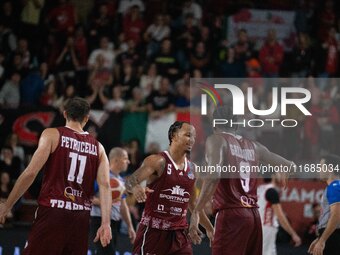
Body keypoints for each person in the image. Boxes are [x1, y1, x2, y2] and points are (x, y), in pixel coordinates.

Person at [0, 97, 112, 255]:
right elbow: (106, 186)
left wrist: (7, 205)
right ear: (87, 118)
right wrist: (105, 223)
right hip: (80, 216)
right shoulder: (98, 148)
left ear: (64, 113)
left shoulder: (52, 135)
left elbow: (31, 172)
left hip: (54, 211)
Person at [189, 106, 295, 255]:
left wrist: (197, 211)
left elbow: (214, 175)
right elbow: (290, 166)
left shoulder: (216, 140)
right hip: (253, 216)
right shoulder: (255, 146)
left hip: (231, 214)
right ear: (236, 125)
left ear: (214, 124)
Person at [125, 121, 214, 255]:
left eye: (194, 137)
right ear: (174, 136)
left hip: (179, 235)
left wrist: (210, 229)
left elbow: (193, 204)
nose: (192, 140)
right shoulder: (157, 161)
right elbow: (130, 181)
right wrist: (136, 187)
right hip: (154, 233)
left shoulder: (193, 169)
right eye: (188, 135)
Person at [90, 147, 136, 254]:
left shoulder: (120, 180)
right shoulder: (102, 175)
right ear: (115, 160)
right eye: (125, 158)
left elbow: (123, 205)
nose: (128, 161)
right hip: (99, 220)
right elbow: (88, 198)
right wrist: (106, 201)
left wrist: (130, 226)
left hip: (115, 223)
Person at [257, 176, 301, 255]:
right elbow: (280, 216)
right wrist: (293, 234)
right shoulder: (272, 191)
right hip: (267, 227)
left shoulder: (259, 188)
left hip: (257, 227)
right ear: (273, 176)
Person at [308, 154, 340, 255]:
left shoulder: (334, 186)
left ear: (330, 168)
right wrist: (320, 238)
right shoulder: (333, 187)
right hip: (331, 235)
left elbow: (336, 215)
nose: (319, 170)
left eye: (321, 166)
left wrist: (322, 240)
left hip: (333, 237)